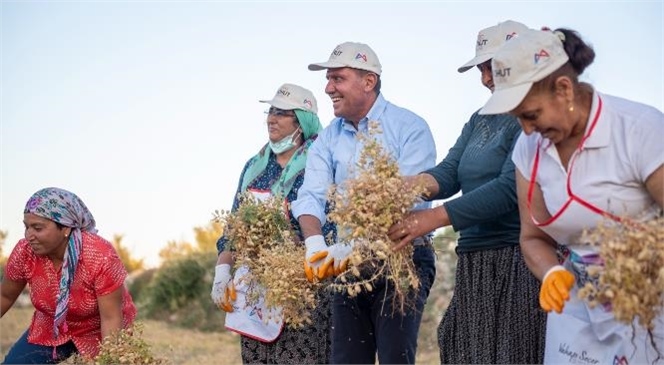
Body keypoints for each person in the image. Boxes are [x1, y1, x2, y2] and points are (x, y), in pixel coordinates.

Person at [479, 28, 664, 364]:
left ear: (564, 89)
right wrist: (551, 272)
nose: (526, 129)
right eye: (518, 118)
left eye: (531, 114)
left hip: (648, 303)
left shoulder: (639, 130)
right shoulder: (529, 150)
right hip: (578, 305)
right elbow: (532, 237)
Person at [387, 20, 547, 364]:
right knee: (461, 347)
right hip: (475, 261)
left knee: (511, 353)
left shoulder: (532, 116)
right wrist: (396, 189)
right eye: (481, 69)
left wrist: (431, 219)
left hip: (517, 260)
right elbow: (449, 172)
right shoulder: (481, 118)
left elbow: (508, 188)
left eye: (490, 67)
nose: (485, 78)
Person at [291, 41, 437, 364]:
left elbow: (405, 200)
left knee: (394, 358)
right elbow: (311, 195)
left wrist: (357, 244)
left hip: (403, 256)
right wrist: (314, 242)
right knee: (346, 359)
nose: (328, 88)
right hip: (347, 265)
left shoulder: (409, 128)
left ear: (368, 82)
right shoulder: (329, 137)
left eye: (337, 79)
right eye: (328, 80)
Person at [211, 83, 335, 364]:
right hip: (254, 292)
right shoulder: (254, 168)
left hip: (302, 288)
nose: (271, 118)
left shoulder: (321, 163)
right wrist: (222, 272)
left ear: (302, 121)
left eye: (282, 113)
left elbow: (331, 227)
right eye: (271, 111)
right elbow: (234, 225)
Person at [1, 187, 137, 364]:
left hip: (100, 328)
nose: (29, 236)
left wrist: (110, 359)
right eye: (26, 227)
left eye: (37, 228)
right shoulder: (25, 253)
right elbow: (5, 295)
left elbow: (111, 318)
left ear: (65, 228)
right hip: (52, 324)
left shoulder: (99, 256)